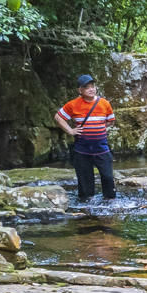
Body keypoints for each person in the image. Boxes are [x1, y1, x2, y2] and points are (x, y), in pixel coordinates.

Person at [55, 73, 117, 204]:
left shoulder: (104, 103)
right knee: (85, 181)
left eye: (92, 86)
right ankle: (87, 207)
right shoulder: (73, 104)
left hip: (102, 148)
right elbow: (58, 117)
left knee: (107, 177)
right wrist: (70, 130)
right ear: (80, 90)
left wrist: (98, 129)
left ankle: (110, 203)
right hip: (82, 150)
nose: (91, 89)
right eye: (87, 87)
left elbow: (111, 121)